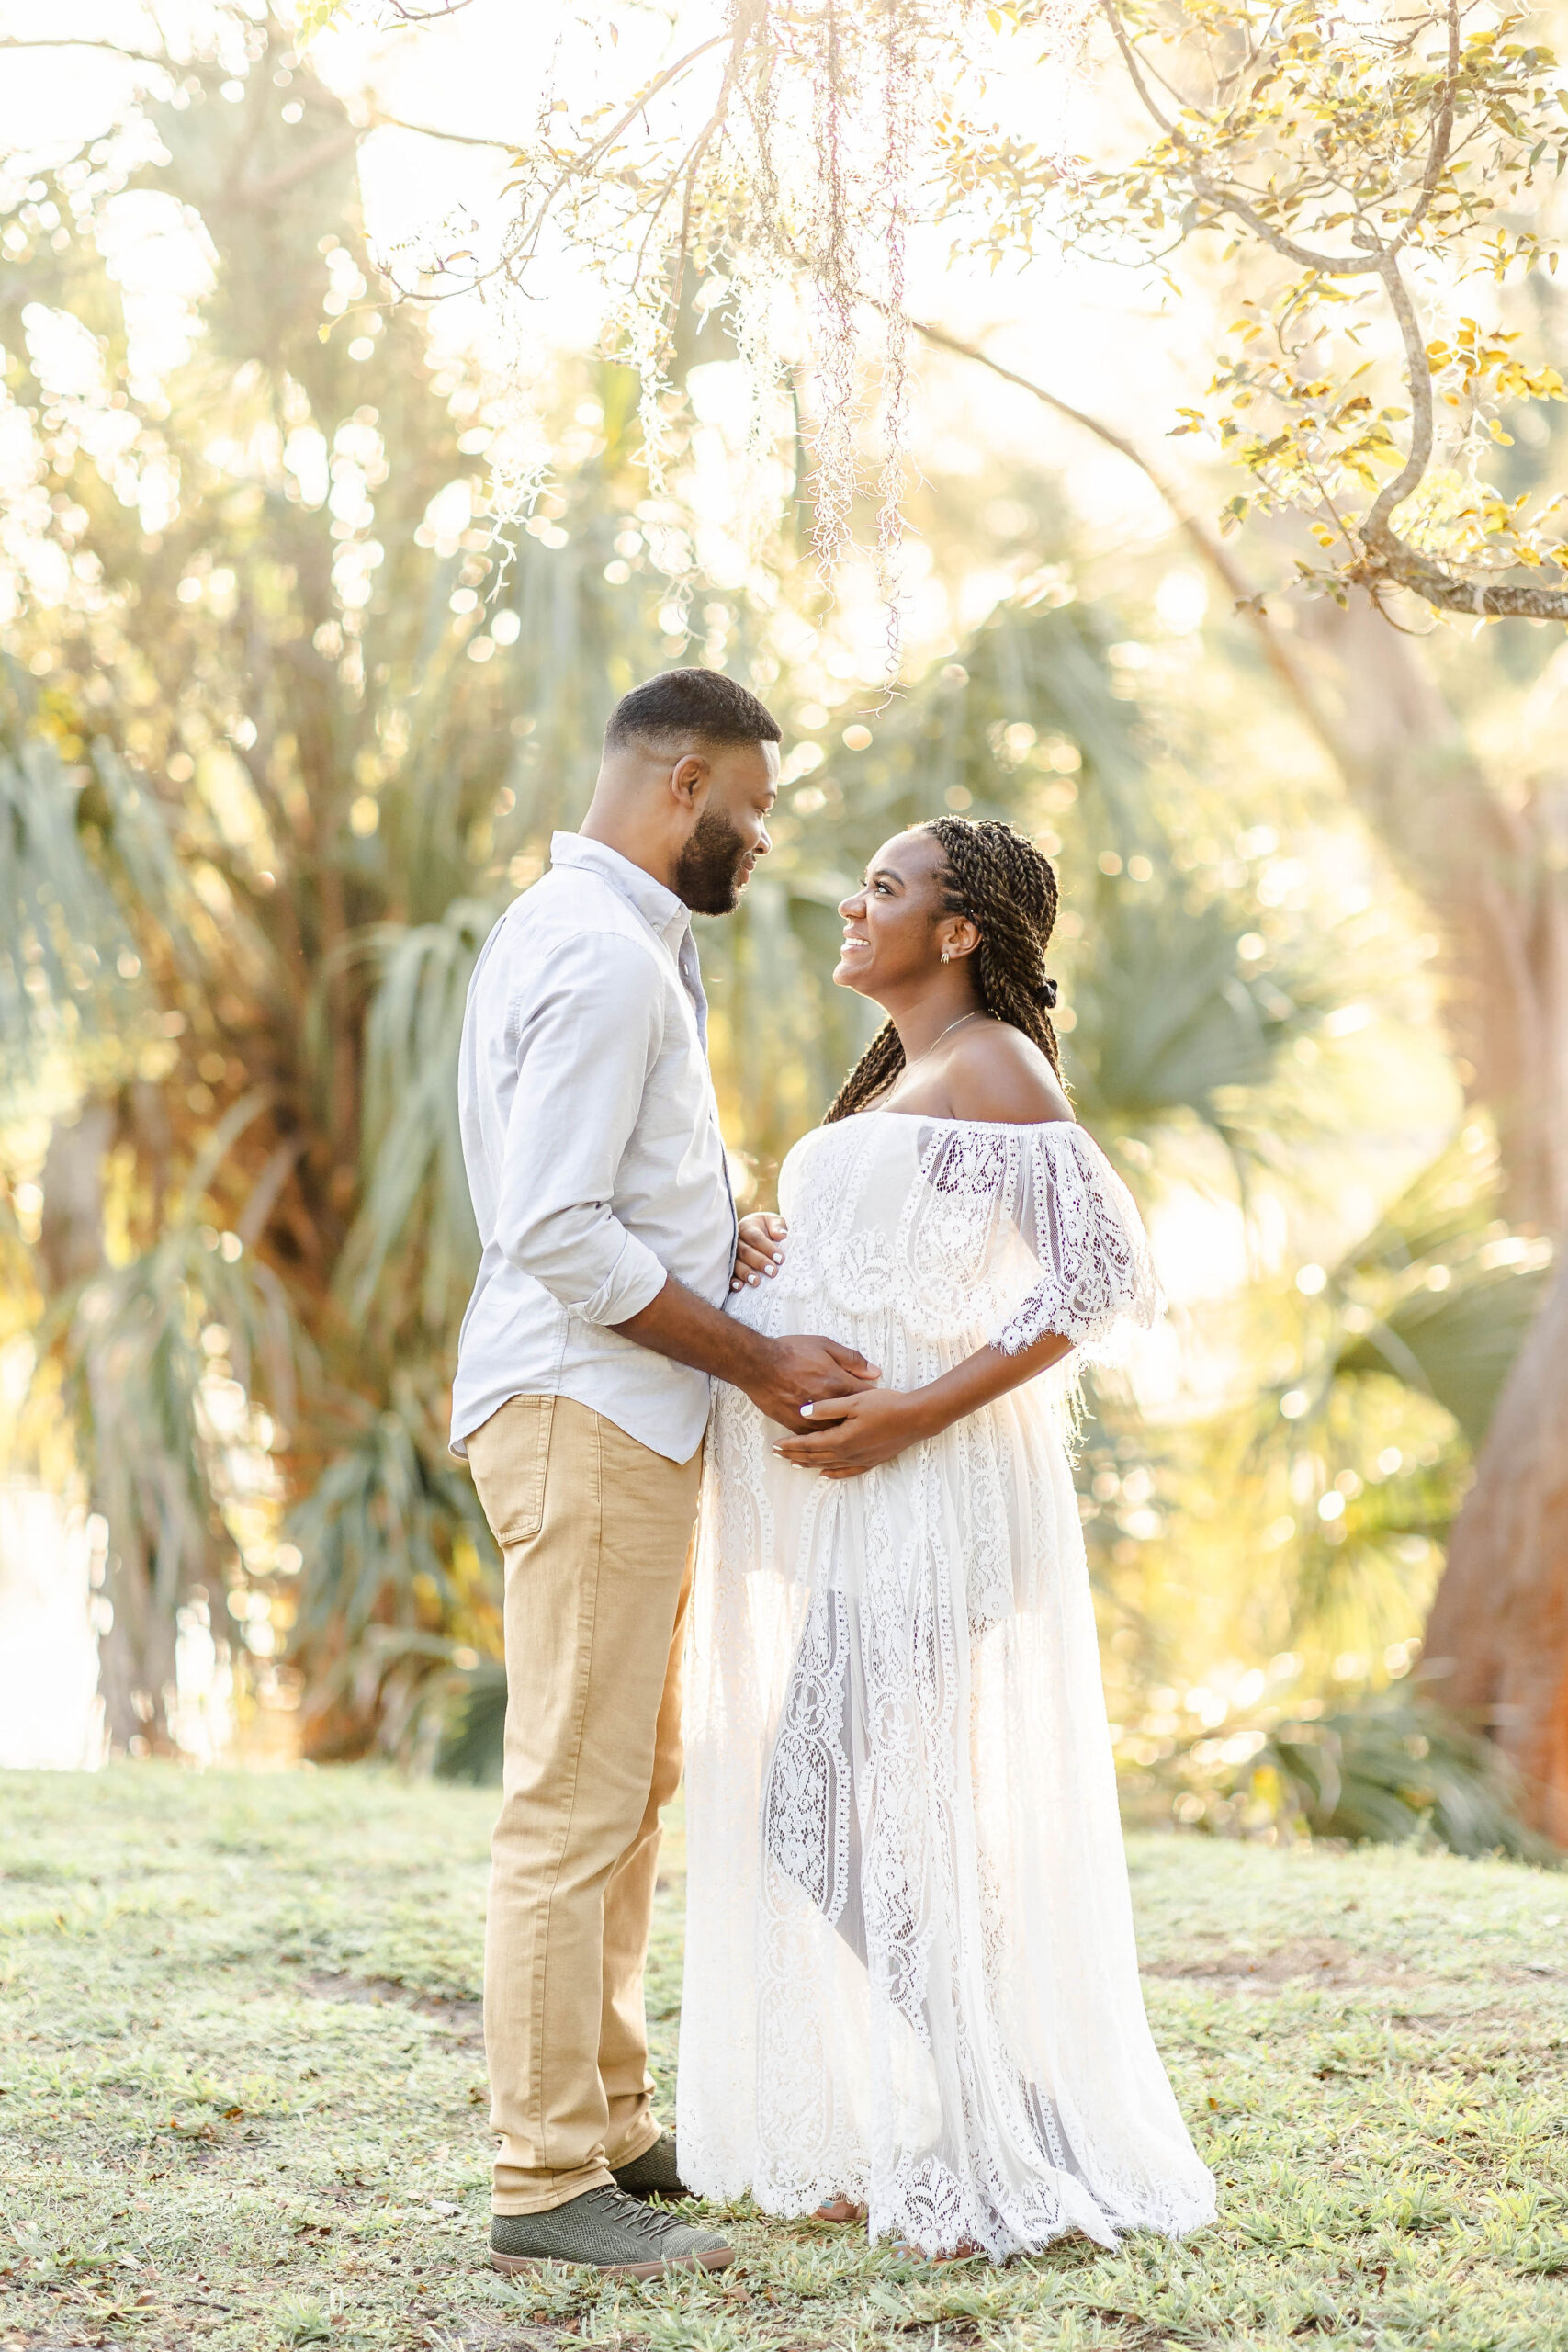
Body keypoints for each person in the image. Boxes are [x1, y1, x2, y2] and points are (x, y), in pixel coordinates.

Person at [678, 815, 1217, 2259]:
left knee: (825, 1808)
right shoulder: (916, 1076)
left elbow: (1099, 1272)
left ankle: (1007, 2122)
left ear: (961, 930)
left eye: (889, 889)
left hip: (938, 1498)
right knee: (850, 1807)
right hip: (875, 1509)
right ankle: (998, 2110)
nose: (857, 906)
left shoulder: (993, 1061)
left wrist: (914, 1413)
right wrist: (771, 1252)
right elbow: (902, 1250)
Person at [451, 668, 880, 2280]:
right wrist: (762, 1358)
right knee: (573, 1798)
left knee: (629, 1787)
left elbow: (595, 1197)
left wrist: (719, 1240)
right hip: (584, 1414)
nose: (767, 842)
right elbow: (552, 1229)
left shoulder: (605, 942)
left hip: (616, 1408)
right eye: (756, 809)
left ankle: (615, 2127)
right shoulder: (600, 954)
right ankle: (547, 2174)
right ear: (685, 782)